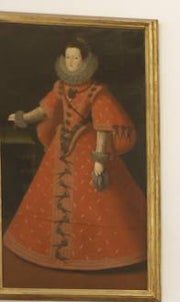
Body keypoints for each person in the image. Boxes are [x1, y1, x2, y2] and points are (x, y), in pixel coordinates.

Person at [4, 38, 146, 270]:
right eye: (68, 57)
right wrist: (24, 118)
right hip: (60, 147)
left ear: (85, 61)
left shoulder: (96, 92)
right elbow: (45, 109)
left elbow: (104, 126)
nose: (71, 62)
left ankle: (93, 257)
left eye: (76, 58)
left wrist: (99, 161)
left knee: (99, 202)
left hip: (88, 147)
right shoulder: (60, 87)